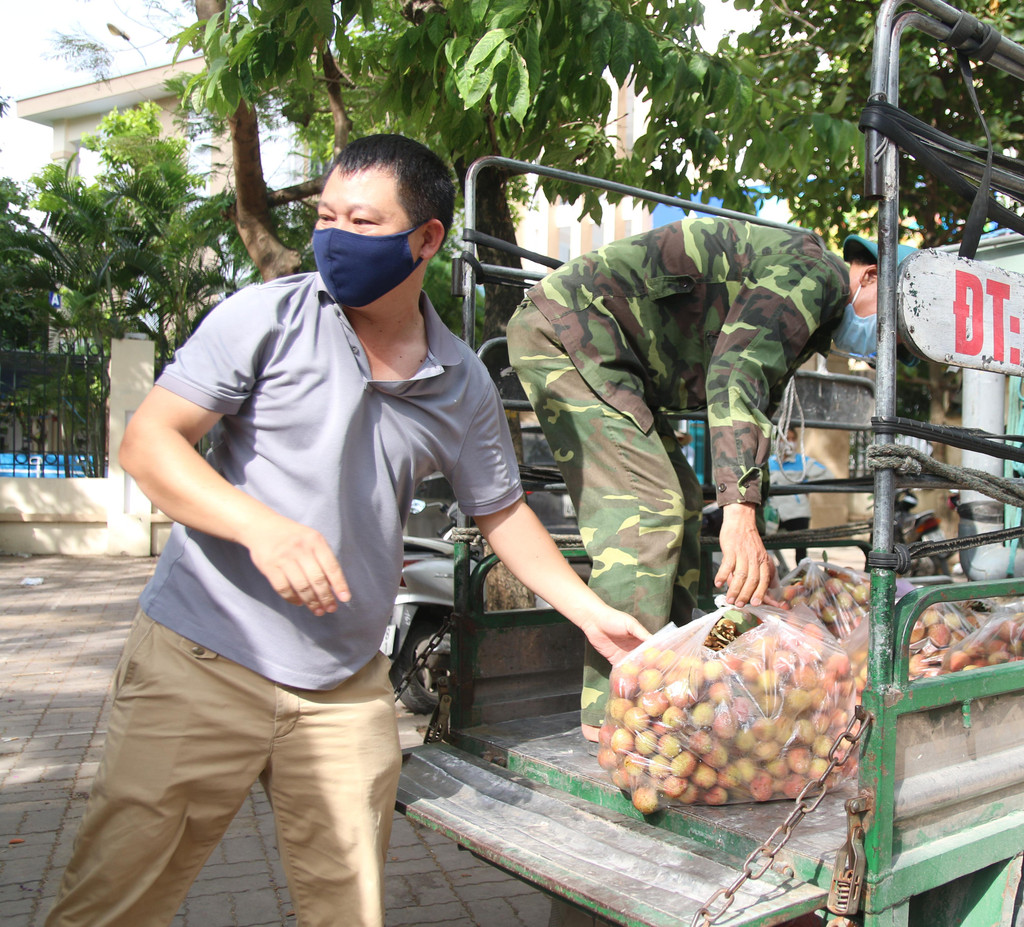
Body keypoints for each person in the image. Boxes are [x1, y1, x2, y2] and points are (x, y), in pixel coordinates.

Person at [44, 134, 648, 927]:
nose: (333, 236)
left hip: (343, 684)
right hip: (203, 658)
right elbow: (149, 442)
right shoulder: (267, 316)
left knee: (349, 912)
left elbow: (500, 510)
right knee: (112, 904)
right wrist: (262, 528)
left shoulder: (461, 379)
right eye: (325, 216)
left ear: (426, 239)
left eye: (361, 221)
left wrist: (588, 611)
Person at [507, 216, 913, 739]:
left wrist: (754, 545)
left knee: (681, 501)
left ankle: (675, 679)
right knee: (648, 511)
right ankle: (616, 717)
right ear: (871, 275)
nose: (877, 350)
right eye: (887, 332)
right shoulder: (816, 276)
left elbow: (751, 416)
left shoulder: (813, 307)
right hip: (570, 331)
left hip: (610, 356)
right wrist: (738, 515)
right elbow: (736, 374)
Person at [766, 426, 831, 563]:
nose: (789, 442)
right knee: (766, 545)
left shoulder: (803, 461)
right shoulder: (768, 463)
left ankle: (802, 573)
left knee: (800, 549)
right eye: (786, 439)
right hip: (774, 512)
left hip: (797, 512)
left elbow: (827, 475)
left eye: (792, 439)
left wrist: (806, 485)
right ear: (777, 441)